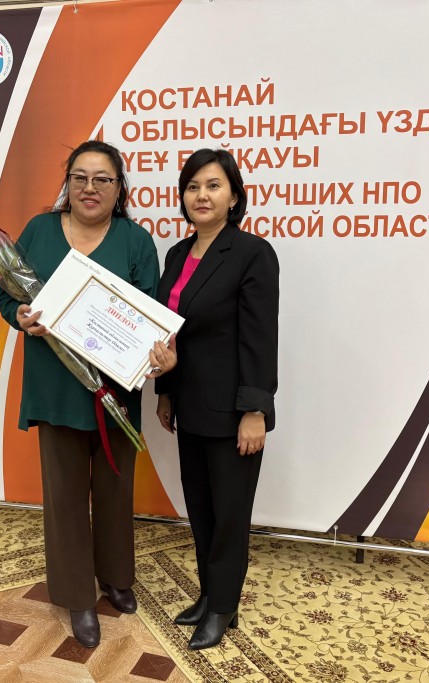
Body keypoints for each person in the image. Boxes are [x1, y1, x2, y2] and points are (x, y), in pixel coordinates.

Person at [0, 140, 176, 648]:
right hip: (55, 388)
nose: (89, 188)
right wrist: (19, 316)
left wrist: (153, 353)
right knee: (65, 498)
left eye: (102, 179)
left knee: (115, 492)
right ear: (67, 183)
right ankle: (77, 595)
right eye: (80, 177)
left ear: (119, 189)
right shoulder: (38, 230)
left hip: (114, 393)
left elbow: (150, 313)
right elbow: (6, 292)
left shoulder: (136, 241)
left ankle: (116, 578)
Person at [154, 148, 279, 650]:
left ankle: (224, 607)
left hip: (232, 412)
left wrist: (255, 410)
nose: (201, 196)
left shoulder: (252, 253)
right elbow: (168, 332)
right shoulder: (177, 254)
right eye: (192, 187)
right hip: (189, 405)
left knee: (229, 515)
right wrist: (165, 393)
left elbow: (259, 338)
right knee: (201, 509)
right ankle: (209, 595)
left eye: (213, 186)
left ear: (234, 196)